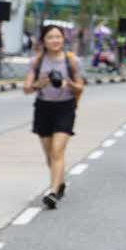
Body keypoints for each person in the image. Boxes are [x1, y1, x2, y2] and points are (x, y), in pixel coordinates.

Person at [23, 25, 84, 209]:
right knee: (49, 154)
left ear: (63, 39)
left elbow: (81, 87)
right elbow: (26, 89)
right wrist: (38, 84)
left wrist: (69, 85)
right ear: (43, 41)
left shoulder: (72, 61)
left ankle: (52, 192)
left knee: (58, 150)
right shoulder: (37, 61)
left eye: (58, 37)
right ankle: (60, 182)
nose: (55, 40)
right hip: (43, 109)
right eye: (50, 37)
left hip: (65, 108)